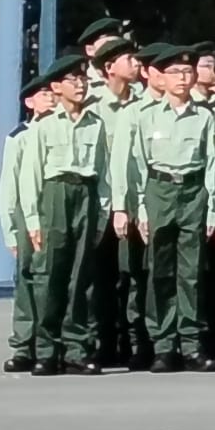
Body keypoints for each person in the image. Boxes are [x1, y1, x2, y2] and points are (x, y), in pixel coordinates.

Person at [115, 44, 215, 373]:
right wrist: (134, 208)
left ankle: (190, 343)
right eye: (175, 72)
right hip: (158, 190)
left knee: (191, 273)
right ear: (161, 76)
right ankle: (163, 344)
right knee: (159, 271)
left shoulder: (205, 116)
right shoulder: (145, 116)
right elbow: (134, 165)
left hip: (193, 192)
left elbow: (214, 163)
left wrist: (214, 208)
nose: (182, 78)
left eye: (188, 72)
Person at [18, 52, 110, 376]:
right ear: (56, 87)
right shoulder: (44, 127)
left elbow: (103, 172)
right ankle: (46, 349)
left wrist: (102, 216)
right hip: (54, 196)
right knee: (50, 276)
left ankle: (76, 348)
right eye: (73, 79)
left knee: (80, 277)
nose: (81, 84)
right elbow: (30, 177)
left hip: (84, 193)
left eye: (83, 78)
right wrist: (32, 220)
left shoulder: (95, 124)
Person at [91, 36, 150, 368]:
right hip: (102, 204)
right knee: (103, 275)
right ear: (108, 67)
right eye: (128, 58)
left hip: (135, 202)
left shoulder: (142, 105)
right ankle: (105, 340)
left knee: (134, 273)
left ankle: (133, 340)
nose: (136, 63)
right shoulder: (93, 107)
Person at [0, 80, 56, 373]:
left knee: (55, 277)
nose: (49, 98)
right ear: (29, 103)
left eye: (51, 93)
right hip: (26, 213)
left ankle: (50, 343)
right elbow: (9, 185)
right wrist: (9, 229)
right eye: (42, 94)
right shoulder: (21, 135)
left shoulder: (61, 129)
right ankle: (24, 344)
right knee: (28, 278)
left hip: (55, 210)